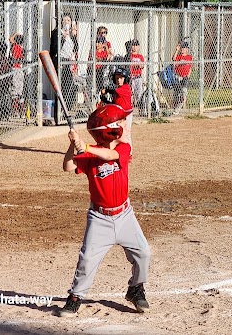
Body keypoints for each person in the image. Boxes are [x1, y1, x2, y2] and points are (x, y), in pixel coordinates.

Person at [54, 104, 151, 317]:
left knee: (143, 253)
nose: (126, 126)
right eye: (122, 123)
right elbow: (68, 166)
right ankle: (75, 297)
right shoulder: (90, 157)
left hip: (124, 215)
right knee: (87, 258)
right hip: (99, 218)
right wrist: (73, 145)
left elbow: (109, 156)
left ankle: (135, 289)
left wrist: (86, 147)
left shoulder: (123, 148)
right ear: (109, 130)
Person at [49, 13, 79, 122]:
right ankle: (58, 112)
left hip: (68, 62)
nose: (67, 22)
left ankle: (66, 110)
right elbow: (54, 48)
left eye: (69, 20)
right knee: (60, 86)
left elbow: (76, 48)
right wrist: (63, 37)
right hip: (59, 60)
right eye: (65, 20)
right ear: (61, 22)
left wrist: (73, 35)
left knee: (69, 86)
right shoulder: (57, 32)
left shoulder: (71, 35)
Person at [101, 67, 134, 145]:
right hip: (119, 115)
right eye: (117, 78)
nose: (118, 80)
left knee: (126, 133)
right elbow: (115, 104)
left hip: (127, 114)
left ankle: (129, 152)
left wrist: (106, 90)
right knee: (117, 133)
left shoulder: (126, 88)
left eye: (121, 78)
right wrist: (105, 100)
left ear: (125, 79)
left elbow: (113, 91)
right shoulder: (118, 91)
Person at [172, 41, 193, 114]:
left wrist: (188, 77)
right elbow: (173, 59)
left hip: (185, 77)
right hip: (178, 77)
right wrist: (177, 50)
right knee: (177, 94)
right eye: (182, 48)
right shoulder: (179, 56)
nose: (182, 49)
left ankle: (177, 109)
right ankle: (174, 107)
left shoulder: (189, 57)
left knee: (184, 93)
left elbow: (190, 68)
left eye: (184, 48)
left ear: (187, 49)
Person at [9, 32, 25, 116]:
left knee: (14, 91)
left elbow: (10, 39)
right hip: (20, 70)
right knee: (20, 91)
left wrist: (15, 33)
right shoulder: (21, 48)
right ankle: (22, 109)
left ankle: (15, 110)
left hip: (15, 70)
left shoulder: (15, 46)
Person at [127, 40, 145, 111]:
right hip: (131, 76)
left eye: (136, 45)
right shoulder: (129, 56)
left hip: (138, 76)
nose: (134, 47)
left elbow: (142, 66)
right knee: (131, 93)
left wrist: (138, 64)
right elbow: (129, 65)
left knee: (139, 93)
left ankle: (140, 108)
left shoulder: (140, 56)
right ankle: (130, 108)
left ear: (138, 47)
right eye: (133, 45)